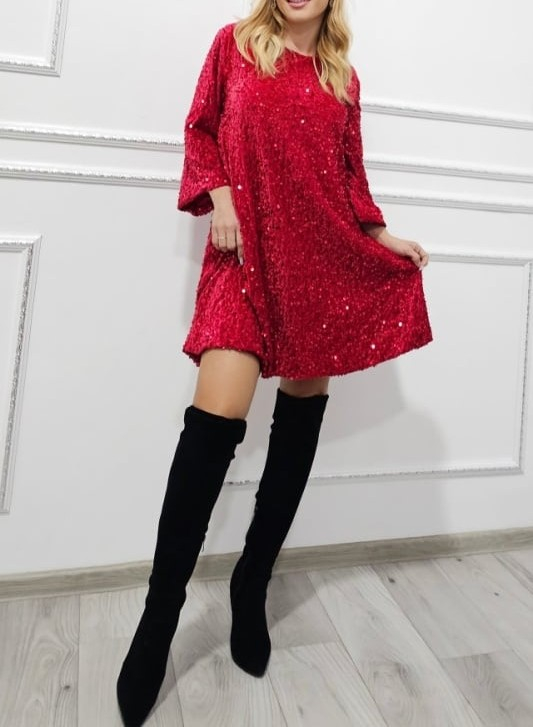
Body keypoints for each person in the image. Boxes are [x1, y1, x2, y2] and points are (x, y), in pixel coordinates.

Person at [117, 0, 432, 724]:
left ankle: (251, 583)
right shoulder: (233, 45)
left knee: (296, 430)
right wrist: (222, 196)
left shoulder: (341, 77)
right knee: (211, 429)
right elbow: (200, 130)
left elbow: (349, 179)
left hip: (317, 261)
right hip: (241, 255)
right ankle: (158, 620)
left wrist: (380, 235)